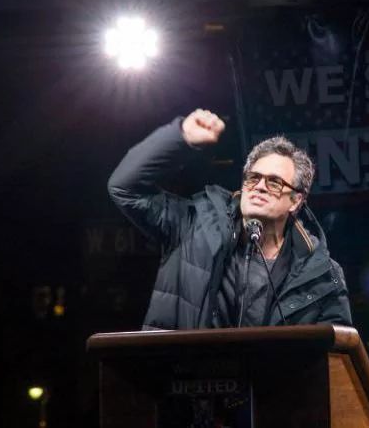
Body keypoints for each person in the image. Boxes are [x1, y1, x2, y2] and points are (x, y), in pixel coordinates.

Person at [107, 109, 352, 330]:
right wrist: (179, 138)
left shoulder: (322, 274)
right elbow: (124, 188)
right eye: (253, 178)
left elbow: (337, 356)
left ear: (296, 201)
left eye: (274, 182)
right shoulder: (194, 224)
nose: (260, 187)